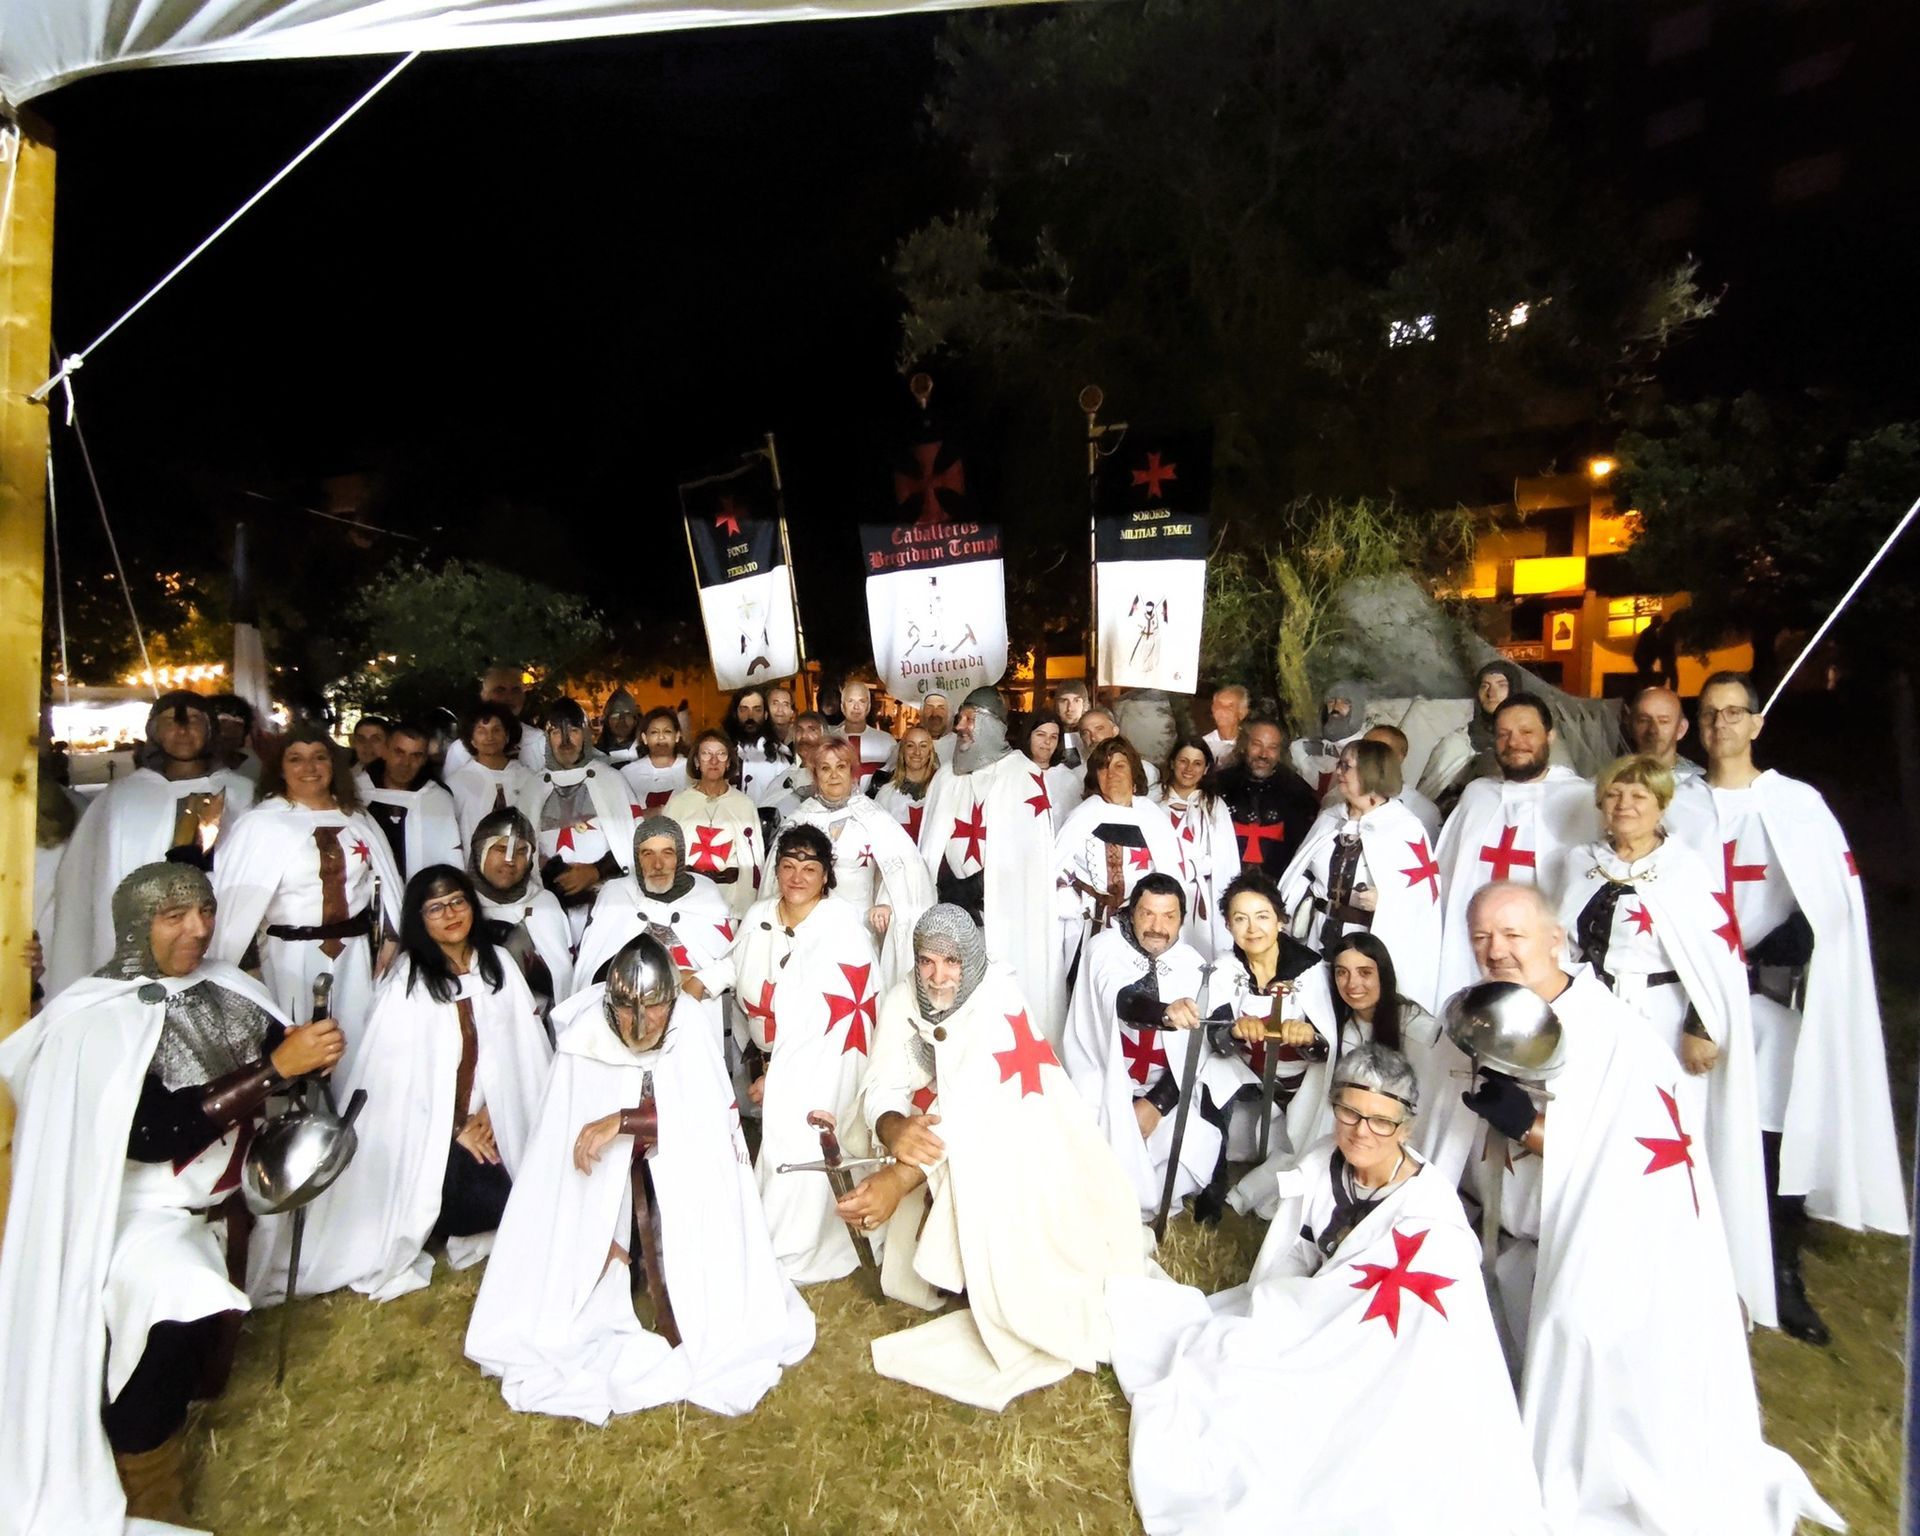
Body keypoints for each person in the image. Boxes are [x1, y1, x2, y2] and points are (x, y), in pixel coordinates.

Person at [1451, 882, 1840, 1534]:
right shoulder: (1483, 1013)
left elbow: (1636, 1158)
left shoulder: (1614, 1036)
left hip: (1607, 1243)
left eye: (1514, 935)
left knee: (1576, 1336)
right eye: (1482, 937)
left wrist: (1532, 1129)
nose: (1497, 951)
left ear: (1556, 940)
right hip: (1508, 1235)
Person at [0, 863, 333, 1526]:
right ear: (134, 926)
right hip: (135, 1212)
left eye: (205, 911)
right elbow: (151, 1134)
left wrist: (309, 1053)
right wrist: (273, 1069)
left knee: (192, 1332)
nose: (199, 929)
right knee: (173, 1314)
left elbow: (284, 1060)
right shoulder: (95, 1018)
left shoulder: (228, 986)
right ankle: (149, 1492)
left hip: (220, 1203)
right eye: (174, 916)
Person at [1108, 1043, 1548, 1536]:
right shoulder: (1323, 1160)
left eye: (1381, 1121)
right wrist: (1283, 1316)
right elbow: (1286, 1261)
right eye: (1350, 1113)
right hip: (1321, 1316)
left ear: (1406, 1127)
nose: (1362, 1131)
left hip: (1401, 1357)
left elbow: (1444, 1321)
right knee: (1234, 1372)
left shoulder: (1433, 1211)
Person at [465, 934, 814, 1423]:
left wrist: (624, 1120)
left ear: (671, 1001)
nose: (640, 1022)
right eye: (627, 1009)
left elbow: (705, 1122)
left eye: (653, 1007)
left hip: (679, 1187)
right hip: (609, 1194)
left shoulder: (690, 1028)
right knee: (572, 1285)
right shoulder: (585, 1040)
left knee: (705, 1266)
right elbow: (561, 1142)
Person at [1664, 671, 1906, 1342]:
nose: (1720, 725)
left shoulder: (1798, 805)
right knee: (1688, 1133)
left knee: (1773, 1134)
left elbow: (1829, 908)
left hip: (1768, 1005)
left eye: (1732, 712)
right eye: (1708, 714)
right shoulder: (1677, 802)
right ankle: (1692, 1268)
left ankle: (1780, 1276)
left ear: (1756, 722)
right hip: (1684, 1000)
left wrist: (1762, 956)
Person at [843, 905, 1142, 1410]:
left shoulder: (996, 998)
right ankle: (957, 1270)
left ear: (972, 960)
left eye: (952, 962)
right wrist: (892, 1126)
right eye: (927, 961)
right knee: (928, 1147)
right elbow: (881, 1081)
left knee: (987, 1163)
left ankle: (985, 1273)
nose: (938, 976)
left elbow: (980, 1105)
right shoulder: (903, 999)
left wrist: (899, 1177)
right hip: (941, 1125)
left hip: (1022, 1130)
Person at [250, 865, 553, 1304]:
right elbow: (398, 1086)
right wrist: (457, 1127)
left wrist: (496, 1110)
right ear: (419, 919)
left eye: (457, 902)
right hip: (434, 1137)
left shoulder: (498, 965)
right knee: (492, 1202)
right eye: (436, 908)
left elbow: (525, 1058)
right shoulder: (408, 985)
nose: (450, 914)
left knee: (537, 1196)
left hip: (498, 1121)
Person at [1552, 754, 1772, 1327]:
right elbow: (1561, 945)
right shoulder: (1579, 864)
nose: (1624, 806)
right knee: (1592, 1136)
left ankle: (1672, 1273)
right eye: (1614, 795)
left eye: (1639, 797)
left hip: (1661, 1020)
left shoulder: (1685, 872)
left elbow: (1716, 959)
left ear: (1662, 805)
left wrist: (1701, 1027)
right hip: (1591, 1017)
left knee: (1660, 1142)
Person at [683, 824, 879, 1283]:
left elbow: (825, 1019)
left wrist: (781, 1074)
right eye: (788, 866)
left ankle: (795, 1240)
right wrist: (695, 988)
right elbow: (734, 964)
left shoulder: (841, 928)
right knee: (773, 1142)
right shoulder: (760, 916)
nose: (796, 877)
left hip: (822, 1062)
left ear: (826, 875)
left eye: (809, 869)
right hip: (778, 1055)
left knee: (797, 1138)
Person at [1063, 874, 1257, 1224]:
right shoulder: (1105, 949)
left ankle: (1149, 1204)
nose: (1157, 927)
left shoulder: (1191, 964)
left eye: (1169, 916)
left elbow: (1199, 1051)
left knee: (1196, 1143)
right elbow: (1122, 999)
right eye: (1147, 914)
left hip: (1164, 1089)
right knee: (1081, 1157)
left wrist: (1157, 1103)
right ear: (1131, 912)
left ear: (1182, 920)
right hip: (1103, 1081)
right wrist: (1164, 1013)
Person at [45, 690, 257, 994]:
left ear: (211, 729)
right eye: (170, 721)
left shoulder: (242, 794)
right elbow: (82, 879)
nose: (182, 730)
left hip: (216, 936)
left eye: (194, 720)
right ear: (154, 731)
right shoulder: (121, 797)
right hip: (133, 948)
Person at [208, 722, 401, 1051]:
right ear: (280, 769)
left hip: (355, 956)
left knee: (357, 1044)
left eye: (319, 757)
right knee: (294, 1045)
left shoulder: (357, 819)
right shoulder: (260, 824)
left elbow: (386, 887)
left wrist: (392, 939)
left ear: (333, 765)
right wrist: (247, 968)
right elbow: (235, 907)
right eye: (296, 759)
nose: (309, 768)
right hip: (286, 958)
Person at [1431, 695, 1596, 1001]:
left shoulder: (1580, 800)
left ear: (1550, 735)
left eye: (1526, 732)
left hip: (1542, 961)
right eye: (1504, 734)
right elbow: (1444, 880)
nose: (1514, 742)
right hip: (1470, 955)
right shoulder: (1476, 796)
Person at [1272, 738, 1443, 1008]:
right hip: (1315, 934)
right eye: (1340, 764)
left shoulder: (1403, 828)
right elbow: (1302, 871)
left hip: (1365, 942)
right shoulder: (1330, 818)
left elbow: (1422, 898)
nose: (1338, 771)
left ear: (1370, 772)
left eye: (1347, 766)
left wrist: (1385, 901)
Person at [573, 817, 733, 1060]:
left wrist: (704, 978)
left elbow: (733, 962)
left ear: (680, 856)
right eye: (647, 854)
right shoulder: (615, 896)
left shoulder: (706, 895)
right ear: (637, 859)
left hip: (696, 1034)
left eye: (667, 853)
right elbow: (592, 973)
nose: (657, 864)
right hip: (629, 1034)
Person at [786, 736, 935, 992]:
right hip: (809, 932)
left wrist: (886, 904)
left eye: (841, 766)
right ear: (815, 774)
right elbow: (779, 880)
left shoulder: (874, 817)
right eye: (825, 768)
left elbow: (902, 871)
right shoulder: (799, 820)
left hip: (861, 930)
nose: (834, 775)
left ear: (852, 771)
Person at [1053, 737, 1186, 980]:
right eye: (1103, 767)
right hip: (1089, 926)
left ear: (1133, 772)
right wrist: (1068, 897)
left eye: (1120, 766)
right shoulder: (1083, 816)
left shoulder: (1153, 818)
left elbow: (1172, 877)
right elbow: (1057, 868)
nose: (1111, 773)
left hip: (1144, 926)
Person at [519, 698, 639, 944]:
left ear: (585, 734)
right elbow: (521, 850)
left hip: (606, 899)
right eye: (556, 732)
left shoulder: (611, 781)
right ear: (547, 738)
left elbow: (633, 841)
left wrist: (595, 871)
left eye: (573, 730)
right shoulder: (533, 788)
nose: (565, 741)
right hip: (549, 906)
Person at [467, 806, 575, 1039]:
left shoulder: (546, 904)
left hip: (542, 1037)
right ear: (479, 851)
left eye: (521, 851)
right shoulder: (459, 909)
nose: (510, 860)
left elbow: (565, 982)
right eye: (500, 849)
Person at [664, 729, 766, 920]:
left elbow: (752, 863)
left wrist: (744, 912)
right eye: (706, 754)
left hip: (729, 900)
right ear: (696, 761)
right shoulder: (678, 803)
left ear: (728, 763)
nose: (713, 761)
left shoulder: (743, 805)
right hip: (686, 899)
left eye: (721, 754)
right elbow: (665, 854)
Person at [1155, 735, 1240, 957]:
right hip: (1159, 892)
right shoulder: (1153, 802)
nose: (1189, 769)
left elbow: (1223, 858)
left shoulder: (1214, 806)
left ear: (1206, 769)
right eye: (1183, 761)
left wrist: (1192, 867)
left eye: (1197, 763)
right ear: (1172, 762)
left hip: (1198, 896)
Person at [1214, 716, 1322, 879]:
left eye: (1272, 747)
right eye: (1257, 744)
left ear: (1280, 752)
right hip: (1223, 880)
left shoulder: (1298, 794)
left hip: (1277, 884)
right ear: (1244, 745)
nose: (1263, 754)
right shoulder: (1218, 786)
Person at [1416, 656, 1528, 811]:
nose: (1491, 693)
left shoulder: (1530, 742)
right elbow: (1428, 795)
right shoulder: (1458, 743)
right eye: (1485, 686)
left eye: (1501, 685)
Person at [357, 719, 464, 879]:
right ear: (385, 751)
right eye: (399, 752)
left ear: (424, 759)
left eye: (416, 756)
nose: (406, 763)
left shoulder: (438, 800)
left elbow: (449, 860)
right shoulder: (356, 792)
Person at [445, 701, 539, 848]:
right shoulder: (457, 783)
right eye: (481, 731)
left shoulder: (528, 779)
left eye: (496, 730)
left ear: (507, 735)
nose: (489, 737)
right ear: (472, 740)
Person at [443, 665, 548, 775]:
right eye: (500, 690)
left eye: (515, 690)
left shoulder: (539, 742)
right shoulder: (460, 750)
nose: (508, 697)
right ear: (483, 695)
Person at [1288, 677, 1370, 799]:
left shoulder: (1367, 750)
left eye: (1345, 702)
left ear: (1357, 708)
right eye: (1331, 701)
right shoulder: (1301, 747)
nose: (1336, 707)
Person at [1362, 722, 1442, 838]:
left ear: (1399, 757)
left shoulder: (1423, 810)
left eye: (1379, 750)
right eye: (1363, 747)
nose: (1367, 755)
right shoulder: (1343, 789)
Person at [868, 723, 941, 845]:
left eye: (923, 746)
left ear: (930, 752)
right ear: (903, 751)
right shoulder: (886, 794)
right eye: (910, 745)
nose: (917, 752)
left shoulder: (942, 790)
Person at [1622, 682, 1701, 781]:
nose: (1653, 730)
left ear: (1681, 729)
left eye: (1663, 721)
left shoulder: (1698, 782)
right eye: (1644, 720)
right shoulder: (1612, 779)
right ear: (1630, 725)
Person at [619, 705, 688, 812]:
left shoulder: (691, 770)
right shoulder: (628, 774)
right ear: (644, 738)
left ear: (677, 736)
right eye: (654, 732)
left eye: (667, 731)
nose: (661, 737)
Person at [838, 677, 897, 791]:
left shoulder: (887, 742)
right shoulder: (830, 740)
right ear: (842, 706)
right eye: (850, 701)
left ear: (868, 706)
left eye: (862, 701)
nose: (856, 707)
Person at [207, 693, 264, 784]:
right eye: (223, 721)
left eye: (238, 724)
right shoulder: (192, 766)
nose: (230, 730)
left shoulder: (251, 764)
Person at [1201, 682, 1249, 768]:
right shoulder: (1203, 744)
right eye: (1219, 705)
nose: (1223, 710)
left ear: (1242, 713)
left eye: (1230, 706)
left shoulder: (1251, 744)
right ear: (1213, 709)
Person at [596, 687, 643, 766]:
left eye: (627, 714)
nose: (621, 720)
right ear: (607, 721)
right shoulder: (596, 754)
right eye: (615, 715)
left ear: (635, 720)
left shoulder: (646, 751)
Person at [1053, 678, 1092, 767]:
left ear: (1085, 705)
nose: (1070, 708)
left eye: (1076, 701)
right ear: (1056, 705)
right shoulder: (1048, 735)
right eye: (1064, 701)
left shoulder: (1094, 735)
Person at [919, 688, 956, 764]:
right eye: (929, 707)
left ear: (949, 713)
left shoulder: (960, 744)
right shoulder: (910, 743)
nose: (934, 714)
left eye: (941, 708)